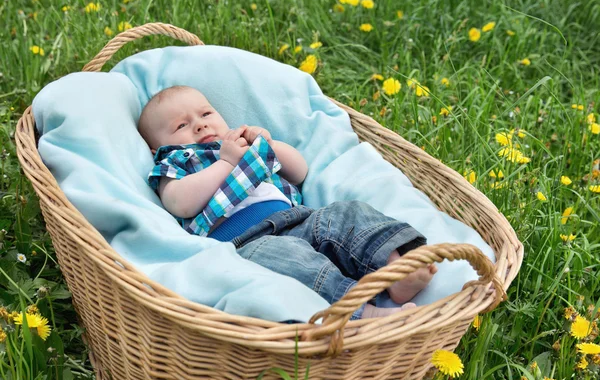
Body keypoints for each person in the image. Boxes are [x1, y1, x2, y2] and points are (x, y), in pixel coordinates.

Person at [138, 85, 437, 320]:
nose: (200, 127)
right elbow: (180, 203)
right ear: (157, 147)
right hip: (248, 244)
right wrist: (226, 162)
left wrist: (268, 146)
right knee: (295, 264)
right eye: (181, 126)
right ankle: (363, 313)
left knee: (346, 214)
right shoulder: (178, 162)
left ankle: (397, 268)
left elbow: (299, 170)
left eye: (205, 114)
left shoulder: (242, 144)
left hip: (300, 219)